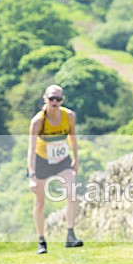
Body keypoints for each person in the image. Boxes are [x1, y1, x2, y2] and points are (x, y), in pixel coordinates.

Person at [26, 84, 84, 254]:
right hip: (42, 161)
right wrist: (32, 175)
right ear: (45, 99)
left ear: (62, 100)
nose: (55, 102)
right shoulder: (37, 122)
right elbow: (30, 148)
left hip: (62, 160)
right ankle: (41, 240)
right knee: (40, 202)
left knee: (72, 192)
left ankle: (71, 235)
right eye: (51, 98)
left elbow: (73, 138)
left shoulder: (69, 116)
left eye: (58, 99)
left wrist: (76, 160)